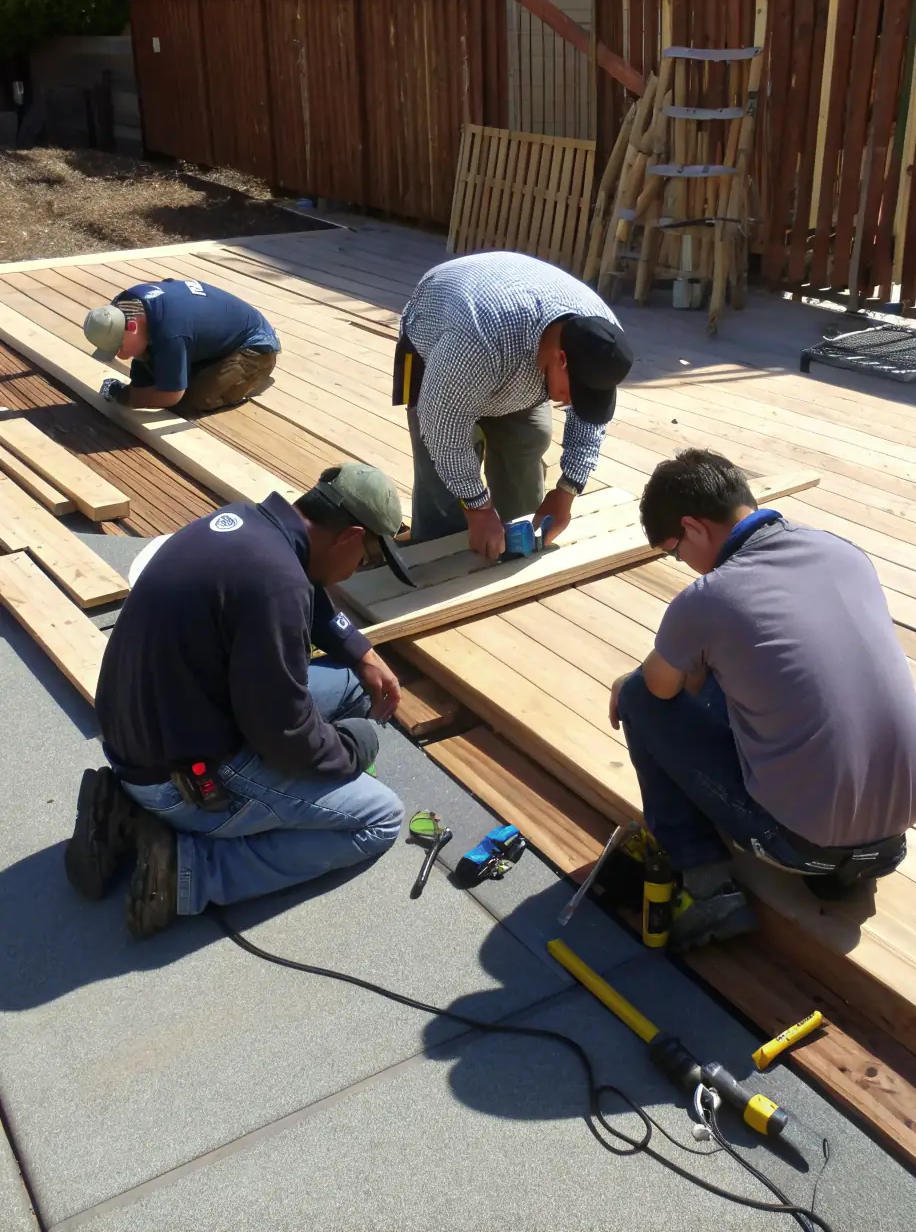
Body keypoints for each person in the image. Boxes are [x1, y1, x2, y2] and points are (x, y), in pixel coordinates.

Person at [608, 449, 916, 952]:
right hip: (901, 825)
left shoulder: (710, 597)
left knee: (637, 695)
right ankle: (842, 860)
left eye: (675, 551)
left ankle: (708, 886)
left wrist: (629, 680)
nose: (683, 564)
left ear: (693, 528)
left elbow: (657, 690)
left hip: (801, 844)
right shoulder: (841, 551)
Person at [64, 463, 411, 939]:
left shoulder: (247, 526)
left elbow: (306, 593)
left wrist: (362, 653)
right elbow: (283, 733)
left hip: (141, 741)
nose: (357, 573)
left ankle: (129, 812)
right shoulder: (277, 584)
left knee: (351, 685)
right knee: (379, 818)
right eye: (368, 560)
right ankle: (187, 872)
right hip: (184, 778)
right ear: (350, 536)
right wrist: (350, 751)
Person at [394, 251, 634, 559]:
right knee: (443, 497)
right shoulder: (477, 339)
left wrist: (568, 489)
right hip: (445, 337)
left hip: (513, 349)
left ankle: (512, 535)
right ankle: (434, 558)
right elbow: (444, 430)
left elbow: (590, 420)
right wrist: (477, 507)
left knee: (529, 438)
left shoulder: (601, 336)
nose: (574, 402)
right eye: (575, 393)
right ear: (561, 360)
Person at [83, 278, 281, 416]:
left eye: (119, 347)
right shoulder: (125, 304)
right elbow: (143, 352)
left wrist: (126, 396)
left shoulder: (171, 332)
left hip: (255, 347)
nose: (120, 356)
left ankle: (248, 378)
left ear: (132, 326)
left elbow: (171, 396)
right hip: (213, 333)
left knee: (190, 401)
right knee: (155, 371)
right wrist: (139, 386)